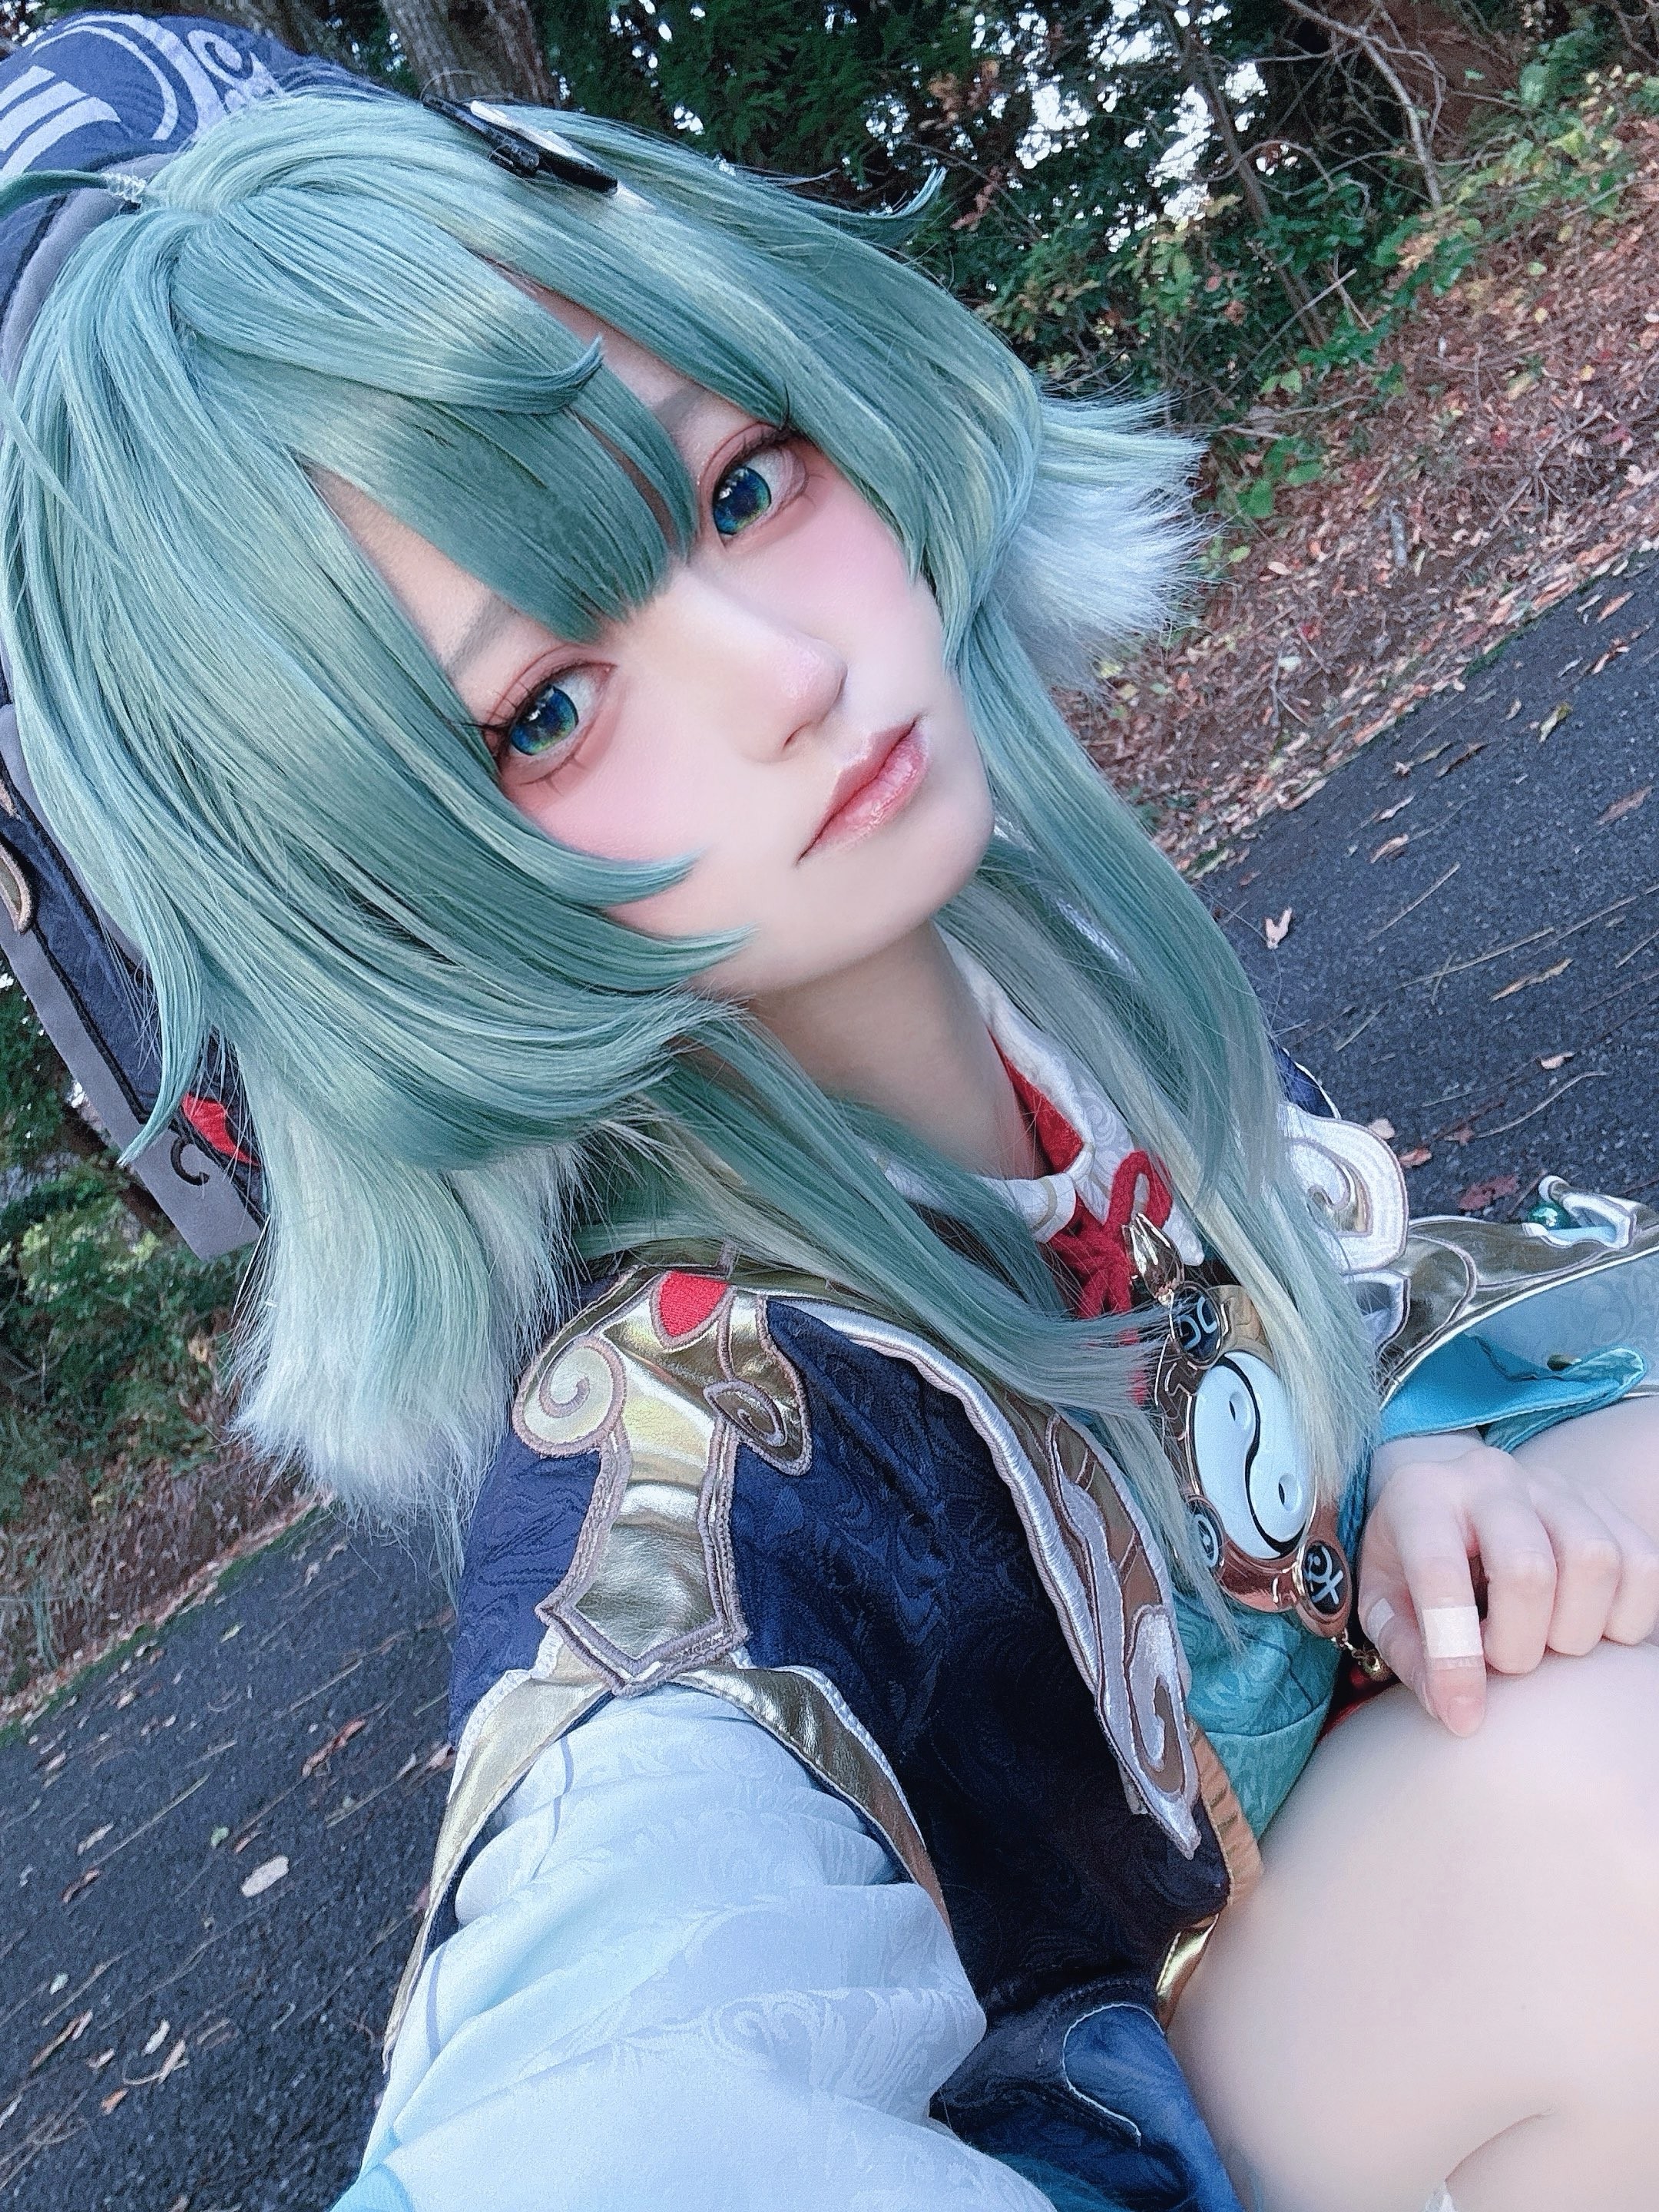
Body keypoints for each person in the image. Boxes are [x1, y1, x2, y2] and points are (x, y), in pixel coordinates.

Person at [0, 28, 1657, 2211]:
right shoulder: (688, 1447)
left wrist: (1409, 1486)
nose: (782, 672)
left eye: (740, 491)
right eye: (548, 709)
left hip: (1358, 1888)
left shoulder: (1061, 983)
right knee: (1588, 1828)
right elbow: (598, 2098)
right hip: (1232, 2075)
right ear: (367, 897)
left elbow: (1309, 1329)